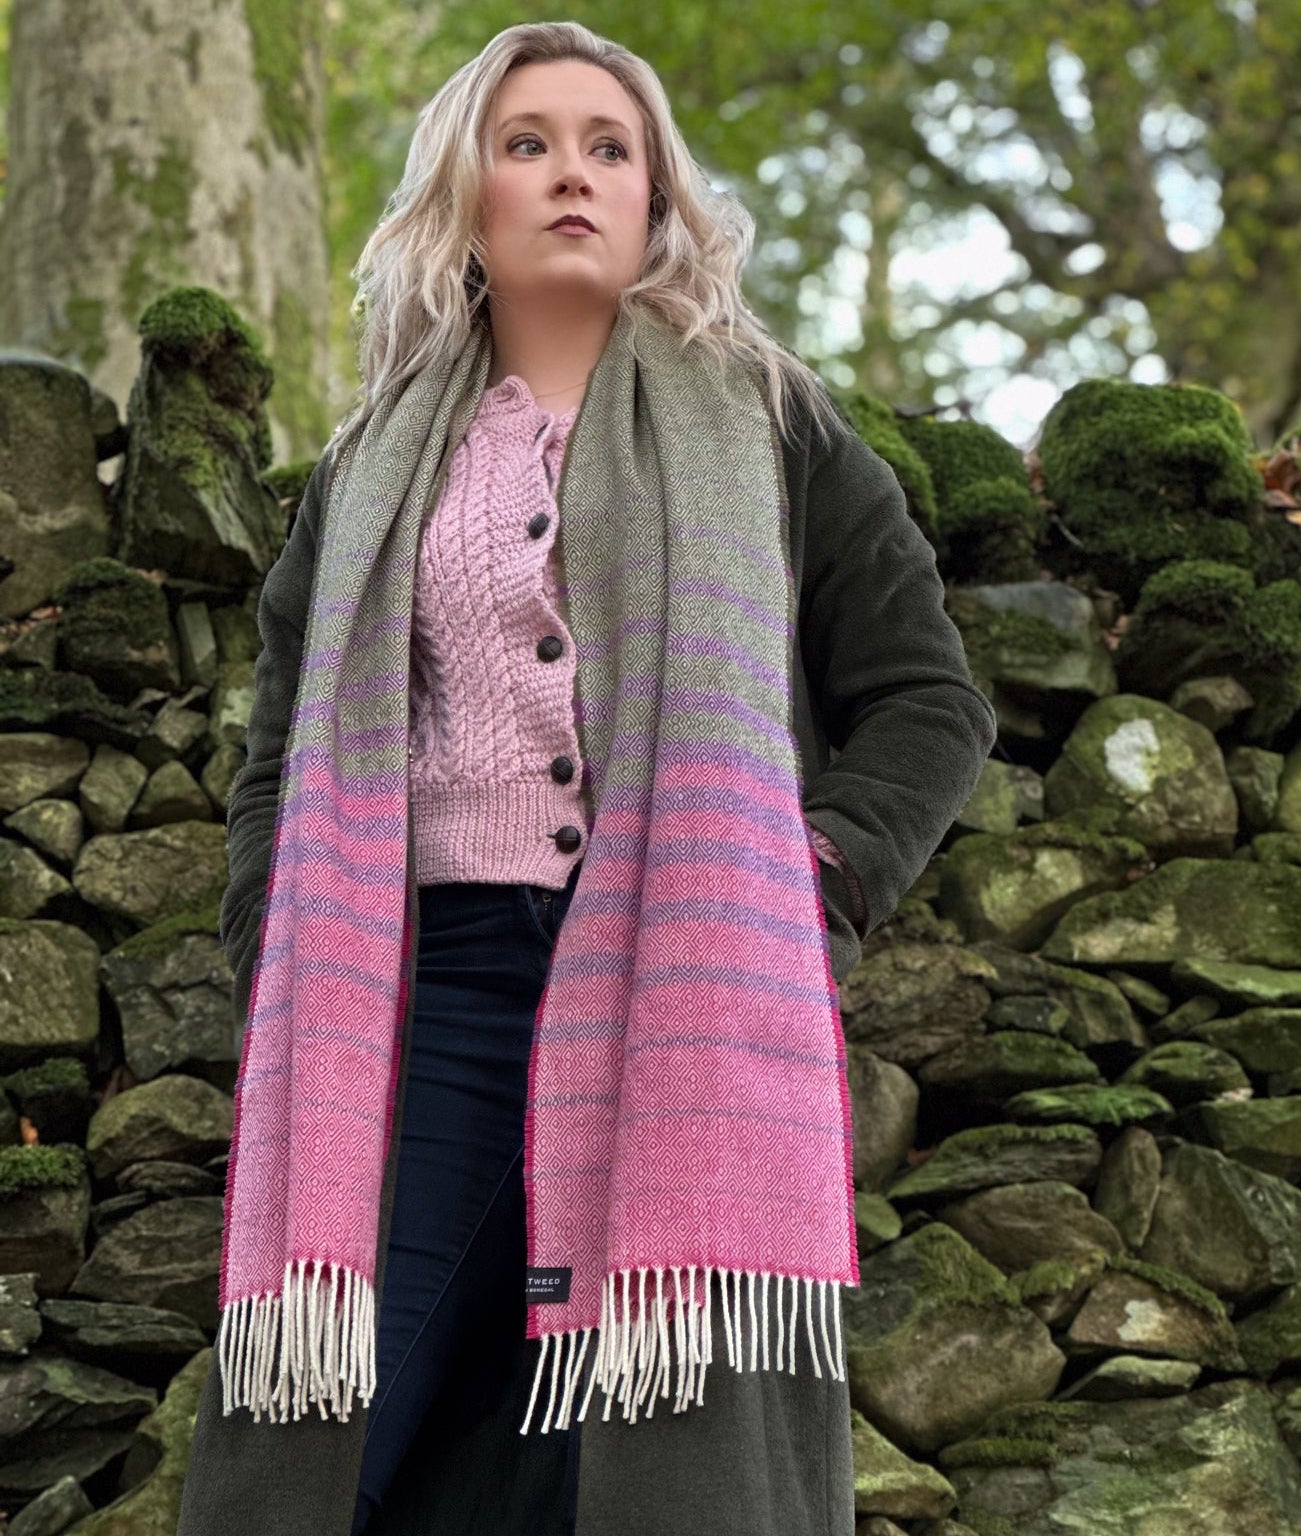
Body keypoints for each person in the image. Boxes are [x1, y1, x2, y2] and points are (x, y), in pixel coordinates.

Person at [176, 20, 995, 1536]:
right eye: (530, 140)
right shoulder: (368, 469)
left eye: (610, 148)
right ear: (464, 194)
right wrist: (281, 963)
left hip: (679, 989)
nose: (573, 174)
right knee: (324, 1452)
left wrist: (808, 885)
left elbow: (929, 704)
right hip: (429, 1000)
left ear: (660, 198)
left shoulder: (777, 429)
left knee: (637, 1474)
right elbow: (277, 759)